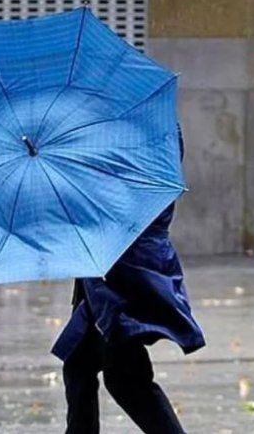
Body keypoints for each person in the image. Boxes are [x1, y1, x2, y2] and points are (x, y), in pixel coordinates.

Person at [51, 129, 205, 434]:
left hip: (123, 269)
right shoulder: (124, 126)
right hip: (109, 266)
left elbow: (126, 198)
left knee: (125, 380)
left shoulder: (141, 132)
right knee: (81, 365)